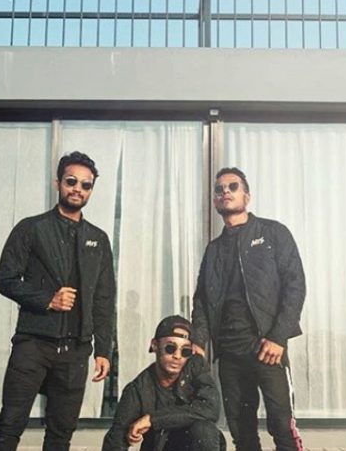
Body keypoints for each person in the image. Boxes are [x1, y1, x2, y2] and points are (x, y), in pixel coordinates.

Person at [0, 151, 116, 451]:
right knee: (10, 424)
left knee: (61, 434)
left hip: (76, 350)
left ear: (91, 190)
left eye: (85, 185)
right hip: (33, 343)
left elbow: (104, 298)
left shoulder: (98, 238)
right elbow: (5, 279)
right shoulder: (31, 228)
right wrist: (48, 300)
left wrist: (103, 350)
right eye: (71, 181)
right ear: (58, 183)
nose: (78, 189)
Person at [192, 167, 306, 451]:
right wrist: (198, 342)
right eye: (219, 189)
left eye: (233, 186)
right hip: (229, 353)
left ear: (247, 195)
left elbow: (295, 285)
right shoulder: (214, 249)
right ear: (215, 200)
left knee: (282, 426)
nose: (225, 192)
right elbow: (202, 299)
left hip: (267, 348)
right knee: (241, 432)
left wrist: (278, 337)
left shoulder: (273, 233)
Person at [102, 315, 223, 451]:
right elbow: (115, 440)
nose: (177, 356)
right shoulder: (138, 389)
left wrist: (152, 420)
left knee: (205, 430)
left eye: (185, 351)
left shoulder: (196, 371)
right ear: (155, 345)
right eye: (170, 348)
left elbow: (211, 408)